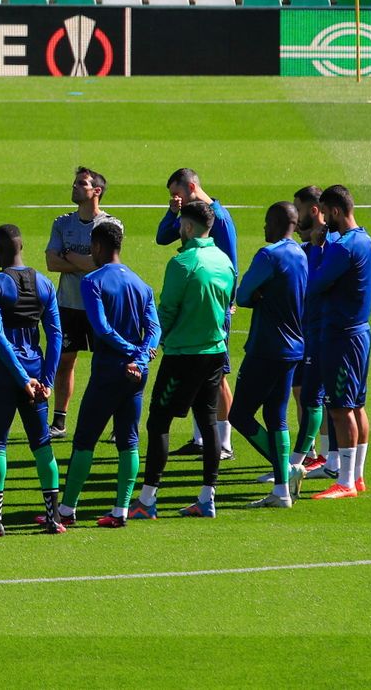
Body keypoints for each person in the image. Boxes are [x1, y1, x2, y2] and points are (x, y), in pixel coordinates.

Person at [49, 221, 160, 529]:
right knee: (129, 440)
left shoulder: (93, 281)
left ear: (97, 247)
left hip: (110, 369)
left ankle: (67, 510)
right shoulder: (141, 284)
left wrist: (128, 353)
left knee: (84, 439)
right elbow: (154, 329)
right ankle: (121, 511)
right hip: (137, 373)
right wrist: (140, 355)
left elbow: (102, 329)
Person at [132, 201, 236, 519]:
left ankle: (148, 500)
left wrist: (152, 342)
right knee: (208, 421)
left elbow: (167, 311)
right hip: (215, 353)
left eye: (181, 225)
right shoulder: (224, 261)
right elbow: (229, 302)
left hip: (183, 357)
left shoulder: (182, 263)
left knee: (158, 421)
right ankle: (207, 498)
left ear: (188, 228)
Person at [0, 224, 65, 537]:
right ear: (21, 247)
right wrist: (45, 380)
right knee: (42, 444)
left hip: (3, 376)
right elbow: (56, 335)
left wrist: (22, 379)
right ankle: (53, 519)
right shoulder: (45, 284)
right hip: (36, 373)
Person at [156, 168, 237, 457]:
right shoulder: (190, 214)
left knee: (219, 374)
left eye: (176, 193)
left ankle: (224, 443)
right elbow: (162, 238)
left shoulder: (219, 217)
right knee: (199, 373)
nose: (174, 199)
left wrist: (229, 301)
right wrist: (171, 212)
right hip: (195, 297)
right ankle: (201, 439)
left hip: (215, 305)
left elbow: (231, 263)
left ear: (191, 186)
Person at [232, 202, 308, 508]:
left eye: (266, 222)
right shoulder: (301, 254)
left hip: (267, 347)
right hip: (294, 348)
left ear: (278, 223)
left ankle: (286, 470)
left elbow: (242, 294)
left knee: (239, 414)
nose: (263, 228)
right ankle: (281, 492)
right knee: (276, 416)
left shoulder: (269, 255)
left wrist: (258, 296)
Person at [307, 185, 371, 500]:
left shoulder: (341, 248)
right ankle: (356, 477)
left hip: (341, 336)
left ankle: (345, 482)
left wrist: (319, 247)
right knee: (357, 405)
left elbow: (316, 283)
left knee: (340, 409)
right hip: (359, 333)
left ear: (334, 211)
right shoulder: (364, 239)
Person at [44, 167, 112, 439]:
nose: (74, 186)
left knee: (106, 365)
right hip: (68, 306)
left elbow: (103, 264)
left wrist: (69, 256)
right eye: (74, 182)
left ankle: (113, 422)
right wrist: (86, 263)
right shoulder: (61, 223)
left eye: (81, 183)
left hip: (99, 307)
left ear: (96, 191)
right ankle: (59, 421)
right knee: (64, 363)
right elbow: (51, 262)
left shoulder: (110, 226)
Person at [291, 186, 336, 481]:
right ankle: (316, 455)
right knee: (302, 393)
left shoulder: (331, 246)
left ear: (315, 211)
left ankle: (327, 458)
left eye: (300, 209)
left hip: (323, 332)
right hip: (305, 331)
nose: (295, 216)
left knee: (322, 398)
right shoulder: (310, 246)